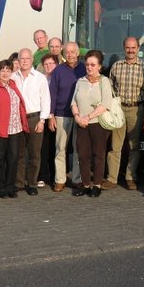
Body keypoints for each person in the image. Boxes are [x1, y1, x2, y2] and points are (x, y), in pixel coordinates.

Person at [107, 36, 144, 190]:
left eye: (133, 47)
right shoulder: (116, 66)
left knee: (134, 145)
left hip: (136, 109)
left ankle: (130, 177)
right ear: (124, 48)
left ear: (138, 48)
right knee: (115, 145)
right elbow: (111, 88)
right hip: (118, 109)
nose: (131, 50)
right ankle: (112, 178)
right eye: (128, 47)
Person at [0, 59, 29, 199]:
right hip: (0, 129)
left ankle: (10, 186)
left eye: (8, 70)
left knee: (13, 158)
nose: (5, 73)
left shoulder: (13, 84)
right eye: (2, 70)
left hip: (15, 128)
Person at [70, 50, 112, 197]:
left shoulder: (104, 81)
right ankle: (86, 184)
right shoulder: (80, 81)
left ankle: (97, 185)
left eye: (93, 65)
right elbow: (73, 102)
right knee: (83, 155)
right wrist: (77, 117)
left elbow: (106, 104)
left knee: (98, 155)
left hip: (97, 123)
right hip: (81, 124)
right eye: (87, 64)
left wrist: (88, 117)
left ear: (99, 66)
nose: (89, 67)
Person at [13, 48, 50, 195]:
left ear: (32, 60)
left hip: (35, 118)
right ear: (18, 60)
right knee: (19, 153)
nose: (24, 61)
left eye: (27, 58)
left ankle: (32, 183)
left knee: (34, 153)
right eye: (22, 58)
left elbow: (46, 100)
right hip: (17, 119)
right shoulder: (13, 77)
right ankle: (19, 182)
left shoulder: (40, 78)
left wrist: (42, 121)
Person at [49, 42, 86, 191]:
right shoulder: (58, 70)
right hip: (61, 113)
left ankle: (77, 179)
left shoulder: (84, 68)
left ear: (78, 53)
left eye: (72, 52)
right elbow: (52, 93)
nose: (70, 54)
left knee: (78, 148)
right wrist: (51, 115)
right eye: (67, 52)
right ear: (64, 54)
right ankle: (60, 179)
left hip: (81, 114)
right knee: (60, 148)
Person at [38, 53, 59, 186]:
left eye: (51, 63)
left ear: (56, 64)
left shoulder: (59, 78)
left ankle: (54, 174)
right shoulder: (40, 79)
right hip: (43, 117)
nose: (49, 66)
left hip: (57, 116)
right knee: (43, 147)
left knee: (55, 147)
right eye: (46, 64)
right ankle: (42, 175)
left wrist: (53, 115)